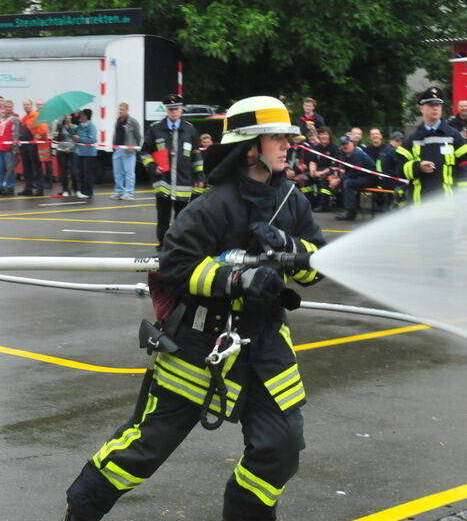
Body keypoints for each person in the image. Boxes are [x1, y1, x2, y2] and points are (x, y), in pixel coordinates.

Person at [63, 95, 324, 521]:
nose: (286, 145)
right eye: (276, 137)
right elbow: (176, 266)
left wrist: (294, 251)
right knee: (144, 448)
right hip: (200, 345)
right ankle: (80, 512)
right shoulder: (211, 206)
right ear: (250, 146)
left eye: (287, 137)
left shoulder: (291, 201)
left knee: (280, 446)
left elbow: (317, 266)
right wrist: (237, 279)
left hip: (267, 345)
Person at [141, 94, 205, 248]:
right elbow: (144, 153)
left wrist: (200, 175)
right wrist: (152, 167)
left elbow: (196, 155)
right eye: (170, 109)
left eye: (176, 108)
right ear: (166, 111)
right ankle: (162, 247)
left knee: (181, 219)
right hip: (163, 183)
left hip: (184, 184)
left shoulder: (190, 130)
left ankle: (177, 247)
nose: (173, 112)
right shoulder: (156, 129)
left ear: (181, 109)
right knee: (163, 219)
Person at [397, 86, 467, 204]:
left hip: (448, 204)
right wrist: (417, 167)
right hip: (421, 204)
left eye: (438, 105)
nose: (435, 108)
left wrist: (465, 196)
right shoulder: (412, 139)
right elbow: (400, 168)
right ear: (421, 108)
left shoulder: (453, 135)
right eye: (431, 105)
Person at [331, 134, 376, 221]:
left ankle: (350, 212)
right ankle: (346, 207)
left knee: (348, 183)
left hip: (370, 178)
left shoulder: (357, 154)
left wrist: (340, 179)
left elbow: (356, 172)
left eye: (346, 144)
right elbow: (346, 169)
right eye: (343, 144)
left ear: (352, 143)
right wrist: (336, 177)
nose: (345, 146)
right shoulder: (345, 154)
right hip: (361, 176)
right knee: (345, 181)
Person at [111, 102, 141, 200]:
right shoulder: (118, 121)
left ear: (127, 110)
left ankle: (128, 193)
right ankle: (119, 191)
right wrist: (113, 146)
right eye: (119, 109)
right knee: (118, 172)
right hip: (117, 149)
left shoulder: (133, 122)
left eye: (122, 109)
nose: (120, 111)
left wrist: (136, 147)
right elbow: (115, 134)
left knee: (129, 172)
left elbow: (138, 136)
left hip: (128, 150)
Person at [307, 127, 341, 212]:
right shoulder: (316, 148)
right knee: (304, 179)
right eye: (321, 134)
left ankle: (324, 205)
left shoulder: (335, 148)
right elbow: (312, 161)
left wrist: (321, 173)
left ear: (330, 136)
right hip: (317, 170)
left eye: (325, 134)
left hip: (330, 171)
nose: (323, 136)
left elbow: (334, 165)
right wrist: (312, 171)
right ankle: (310, 203)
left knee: (324, 180)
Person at [18, 99, 46, 196]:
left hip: (33, 145)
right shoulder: (24, 117)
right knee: (26, 168)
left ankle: (39, 189)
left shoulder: (36, 115)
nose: (26, 106)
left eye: (28, 104)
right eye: (24, 104)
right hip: (25, 145)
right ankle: (28, 188)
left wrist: (36, 139)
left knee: (36, 167)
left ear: (32, 105)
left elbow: (43, 129)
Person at [0, 101, 20, 195]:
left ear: (12, 108)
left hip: (9, 148)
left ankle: (9, 186)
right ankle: (0, 186)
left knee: (9, 169)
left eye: (10, 106)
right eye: (6, 106)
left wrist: (15, 147)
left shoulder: (15, 119)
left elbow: (16, 134)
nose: (8, 108)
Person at [72, 108, 99, 198]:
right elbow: (73, 133)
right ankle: (83, 191)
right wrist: (68, 125)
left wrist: (79, 139)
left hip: (89, 153)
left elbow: (92, 139)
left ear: (86, 116)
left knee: (88, 173)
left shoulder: (91, 127)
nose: (81, 116)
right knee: (81, 173)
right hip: (80, 152)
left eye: (82, 115)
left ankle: (88, 192)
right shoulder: (80, 126)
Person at [53, 113, 78, 197]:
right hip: (61, 150)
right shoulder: (60, 127)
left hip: (72, 151)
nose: (67, 117)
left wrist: (70, 149)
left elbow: (76, 140)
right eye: (65, 116)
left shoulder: (74, 127)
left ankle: (76, 190)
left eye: (68, 116)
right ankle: (65, 190)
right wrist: (56, 131)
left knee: (74, 172)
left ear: (71, 117)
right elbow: (54, 138)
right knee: (63, 172)